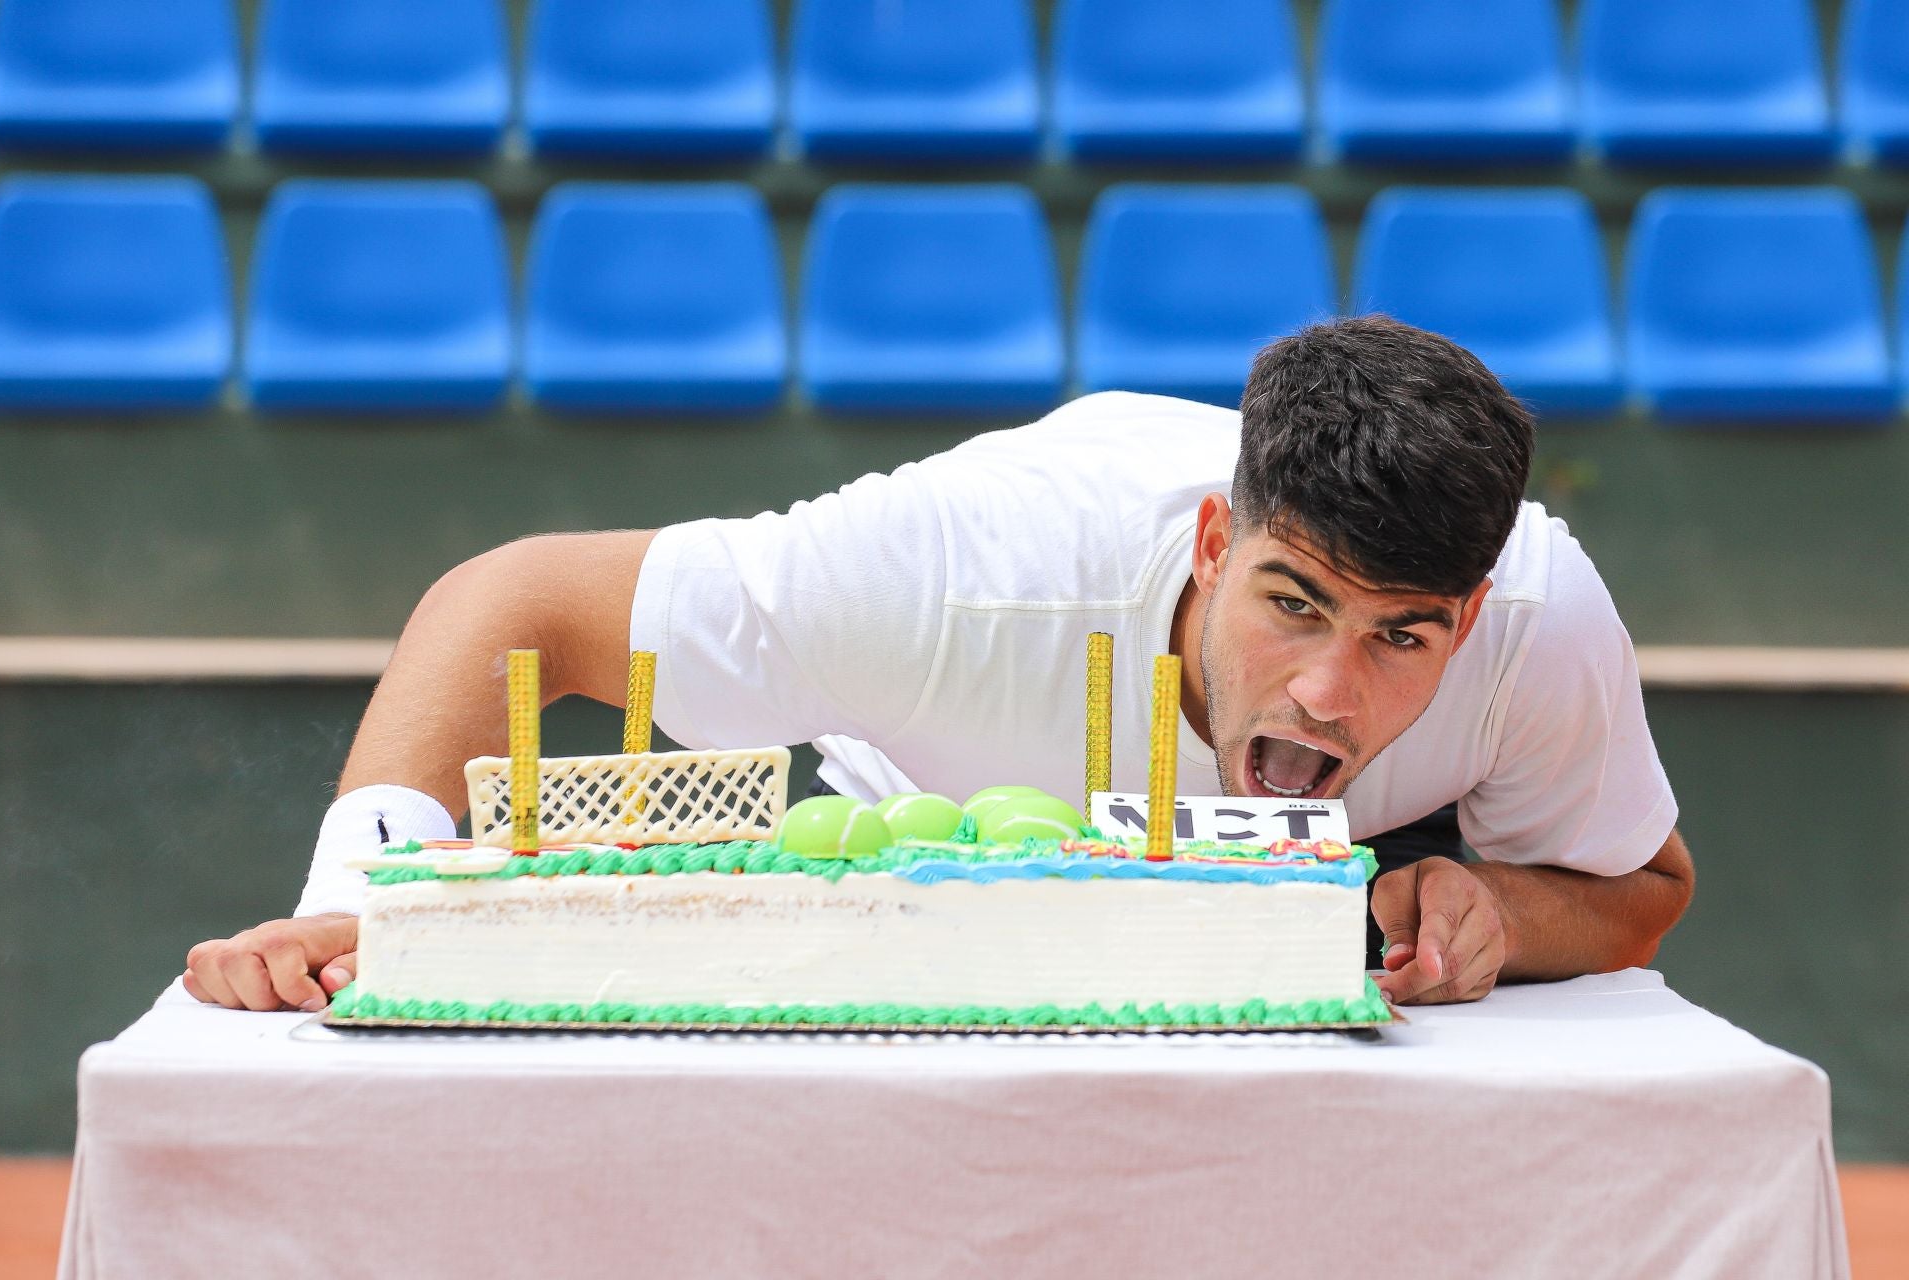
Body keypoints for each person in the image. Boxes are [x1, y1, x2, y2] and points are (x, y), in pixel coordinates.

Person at [183, 317, 1693, 1015]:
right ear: (1218, 540)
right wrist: (350, 903)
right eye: (1296, 603)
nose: (1327, 697)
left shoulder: (1545, 621)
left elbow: (1643, 893)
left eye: (1403, 637)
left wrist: (1493, 899)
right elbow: (513, 597)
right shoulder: (952, 571)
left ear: (1478, 613)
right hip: (896, 945)